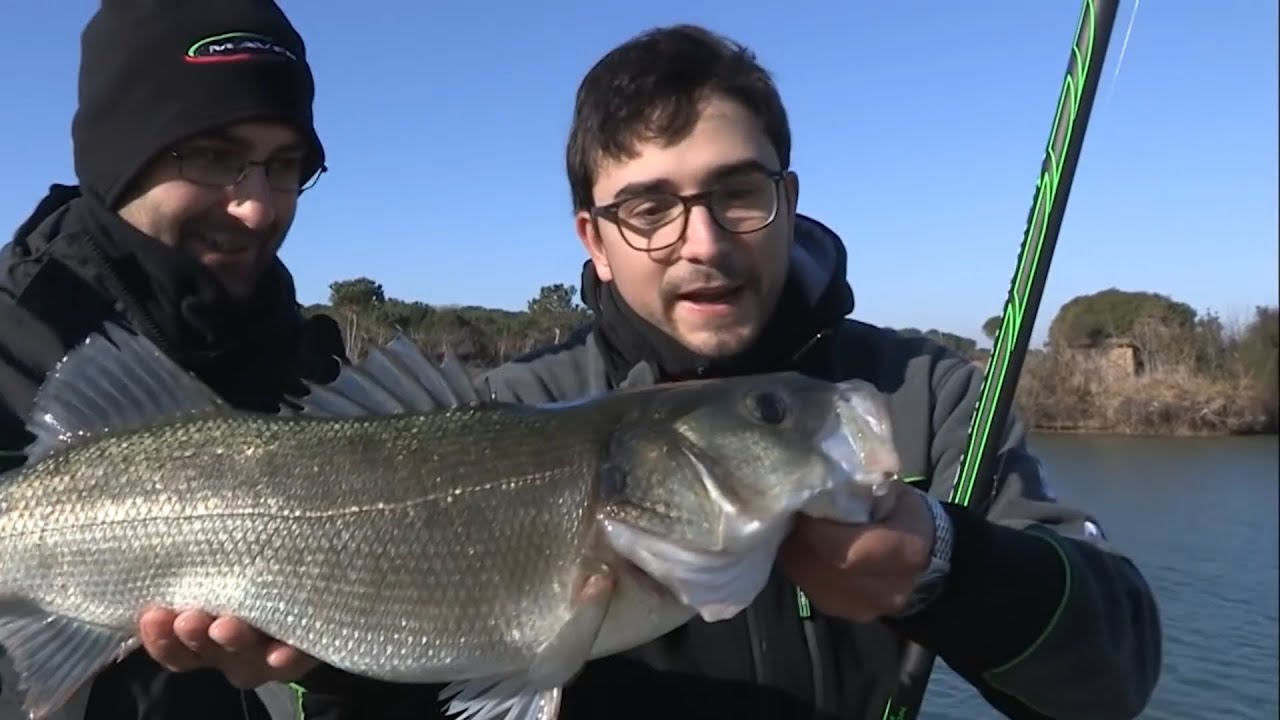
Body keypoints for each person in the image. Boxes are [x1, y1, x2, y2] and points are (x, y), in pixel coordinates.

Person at [136, 23, 1165, 720]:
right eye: (648, 207)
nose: (701, 243)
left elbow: (1114, 672)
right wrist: (315, 668)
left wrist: (949, 565)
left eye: (737, 192)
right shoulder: (510, 407)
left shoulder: (924, 397)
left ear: (788, 196)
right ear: (593, 235)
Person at [0, 1, 349, 718]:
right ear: (120, 157)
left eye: (283, 166)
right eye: (215, 157)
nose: (255, 207)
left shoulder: (320, 379)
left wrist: (335, 667)